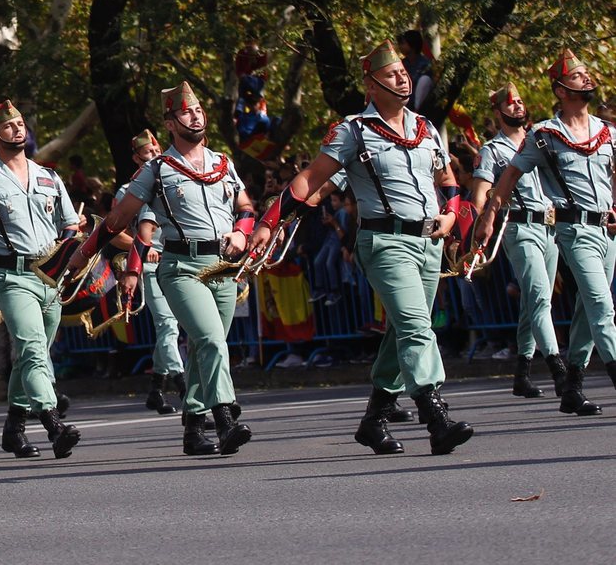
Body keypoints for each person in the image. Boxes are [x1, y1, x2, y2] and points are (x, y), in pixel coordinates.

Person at [265, 42, 473, 455]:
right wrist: (270, 222)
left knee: (401, 331)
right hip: (384, 241)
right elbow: (310, 178)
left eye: (404, 72)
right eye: (393, 74)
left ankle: (373, 421)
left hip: (428, 241)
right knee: (416, 326)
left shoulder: (426, 128)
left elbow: (447, 180)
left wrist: (450, 214)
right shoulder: (353, 130)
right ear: (371, 84)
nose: (403, 78)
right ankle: (436, 417)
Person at [78, 84, 261, 456]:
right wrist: (84, 253)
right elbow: (120, 219)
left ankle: (194, 427)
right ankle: (225, 418)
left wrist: (243, 234)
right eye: (186, 112)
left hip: (223, 265)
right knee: (210, 340)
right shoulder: (157, 170)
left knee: (206, 347)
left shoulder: (223, 163)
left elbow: (245, 207)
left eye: (198, 110)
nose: (195, 115)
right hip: (180, 266)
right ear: (170, 123)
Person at [474, 50, 616, 415]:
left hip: (598, 230)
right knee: (597, 306)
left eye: (586, 73)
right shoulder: (544, 135)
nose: (586, 79)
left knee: (586, 308)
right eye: (577, 75)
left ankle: (571, 386)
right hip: (563, 229)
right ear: (560, 89)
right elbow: (506, 178)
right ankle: (564, 368)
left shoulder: (607, 132)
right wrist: (487, 216)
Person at [0, 100, 81, 461]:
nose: (17, 129)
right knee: (33, 349)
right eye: (8, 126)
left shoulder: (48, 176)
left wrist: (70, 252)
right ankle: (54, 424)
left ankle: (13, 429)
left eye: (20, 123)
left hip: (51, 275)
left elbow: (70, 224)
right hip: (13, 275)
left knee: (31, 356)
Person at [116, 129, 186, 415]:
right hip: (148, 264)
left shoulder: (174, 183)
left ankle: (157, 388)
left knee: (173, 326)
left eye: (157, 151)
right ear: (137, 158)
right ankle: (185, 388)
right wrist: (142, 249)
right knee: (167, 325)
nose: (155, 156)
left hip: (176, 259)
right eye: (148, 153)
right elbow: (114, 232)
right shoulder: (127, 190)